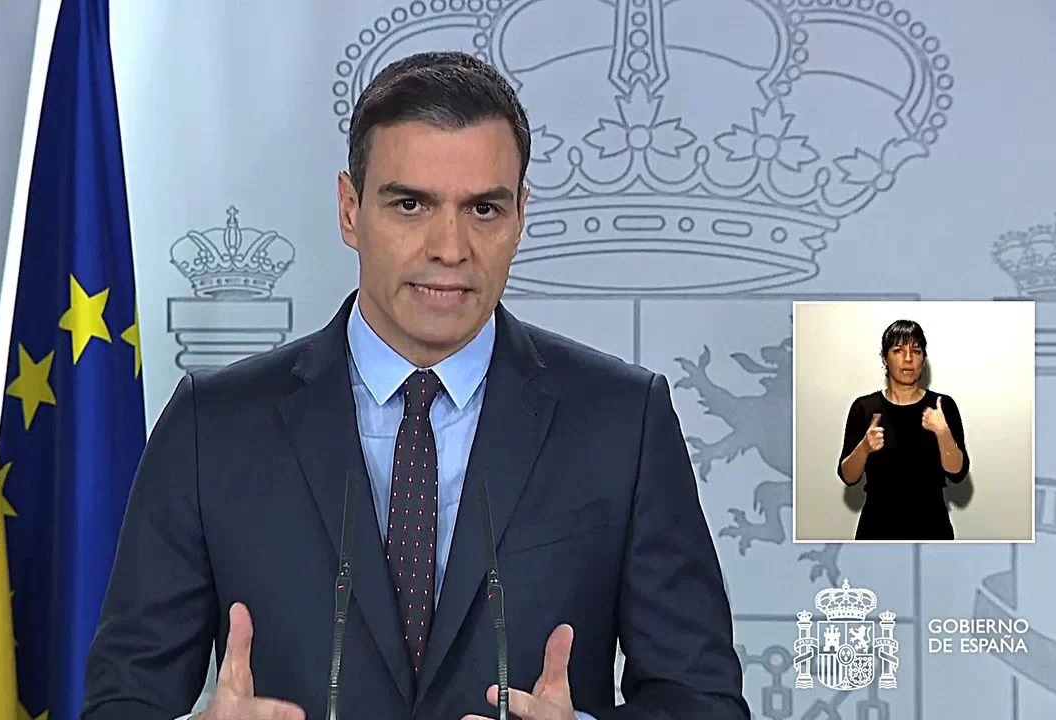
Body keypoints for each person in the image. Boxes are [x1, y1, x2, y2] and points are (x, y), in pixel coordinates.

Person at [80, 51, 749, 720]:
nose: (450, 248)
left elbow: (703, 701)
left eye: (484, 208)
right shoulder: (213, 427)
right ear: (350, 210)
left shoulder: (623, 422)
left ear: (520, 216)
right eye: (410, 204)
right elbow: (121, 701)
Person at [837, 319, 970, 540]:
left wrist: (943, 433)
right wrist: (864, 448)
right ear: (884, 357)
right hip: (876, 527)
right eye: (898, 350)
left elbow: (957, 473)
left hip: (931, 526)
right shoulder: (864, 407)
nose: (908, 358)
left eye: (916, 351)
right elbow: (848, 477)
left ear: (923, 358)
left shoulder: (941, 405)